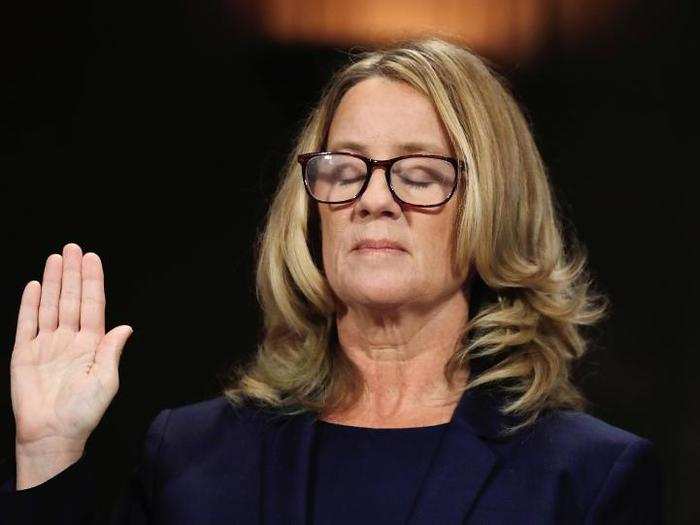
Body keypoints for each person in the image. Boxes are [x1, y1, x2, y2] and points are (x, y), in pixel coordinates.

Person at [0, 37, 664, 524]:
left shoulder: (589, 476)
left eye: (420, 173)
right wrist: (50, 453)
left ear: (494, 206)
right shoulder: (189, 453)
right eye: (345, 169)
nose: (374, 199)